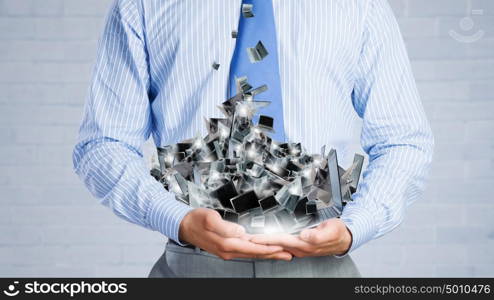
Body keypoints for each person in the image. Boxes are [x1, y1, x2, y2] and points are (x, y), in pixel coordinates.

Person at [73, 0, 434, 278]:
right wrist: (177, 220)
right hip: (191, 271)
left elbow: (402, 140)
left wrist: (356, 227)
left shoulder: (359, 7)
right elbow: (104, 144)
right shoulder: (144, 6)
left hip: (320, 270)